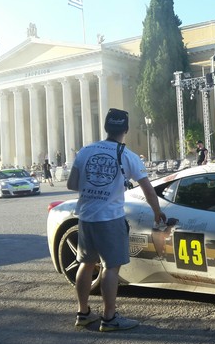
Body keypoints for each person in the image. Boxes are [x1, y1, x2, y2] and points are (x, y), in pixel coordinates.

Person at [67, 108, 166, 332]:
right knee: (111, 267)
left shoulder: (85, 151)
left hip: (86, 217)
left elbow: (72, 184)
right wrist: (157, 211)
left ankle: (83, 313)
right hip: (110, 218)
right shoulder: (128, 155)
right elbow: (149, 191)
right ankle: (109, 318)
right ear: (126, 130)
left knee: (86, 263)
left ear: (105, 128)